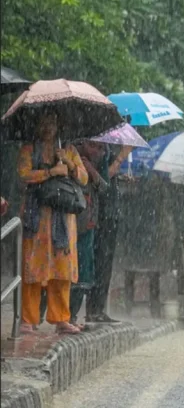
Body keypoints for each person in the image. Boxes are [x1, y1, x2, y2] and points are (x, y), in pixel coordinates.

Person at [18, 111, 88, 335]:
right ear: (37, 125)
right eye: (44, 122)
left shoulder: (68, 149)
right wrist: (50, 172)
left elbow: (84, 178)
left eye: (52, 122)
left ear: (58, 125)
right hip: (36, 216)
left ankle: (61, 318)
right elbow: (23, 175)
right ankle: (28, 319)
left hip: (63, 219)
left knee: (62, 270)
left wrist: (67, 162)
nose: (48, 127)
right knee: (32, 269)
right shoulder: (29, 149)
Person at [41, 141, 106, 326]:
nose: (98, 151)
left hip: (88, 224)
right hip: (67, 221)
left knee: (81, 274)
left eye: (101, 148)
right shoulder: (59, 152)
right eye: (94, 146)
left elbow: (102, 187)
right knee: (55, 271)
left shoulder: (79, 159)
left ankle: (71, 316)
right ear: (83, 143)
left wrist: (87, 169)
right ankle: (44, 316)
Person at [86, 143, 132, 323]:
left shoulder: (106, 150)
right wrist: (122, 155)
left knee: (106, 264)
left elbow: (110, 177)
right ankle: (94, 308)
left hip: (111, 214)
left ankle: (99, 308)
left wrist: (120, 177)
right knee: (99, 261)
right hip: (100, 215)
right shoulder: (97, 150)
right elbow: (103, 179)